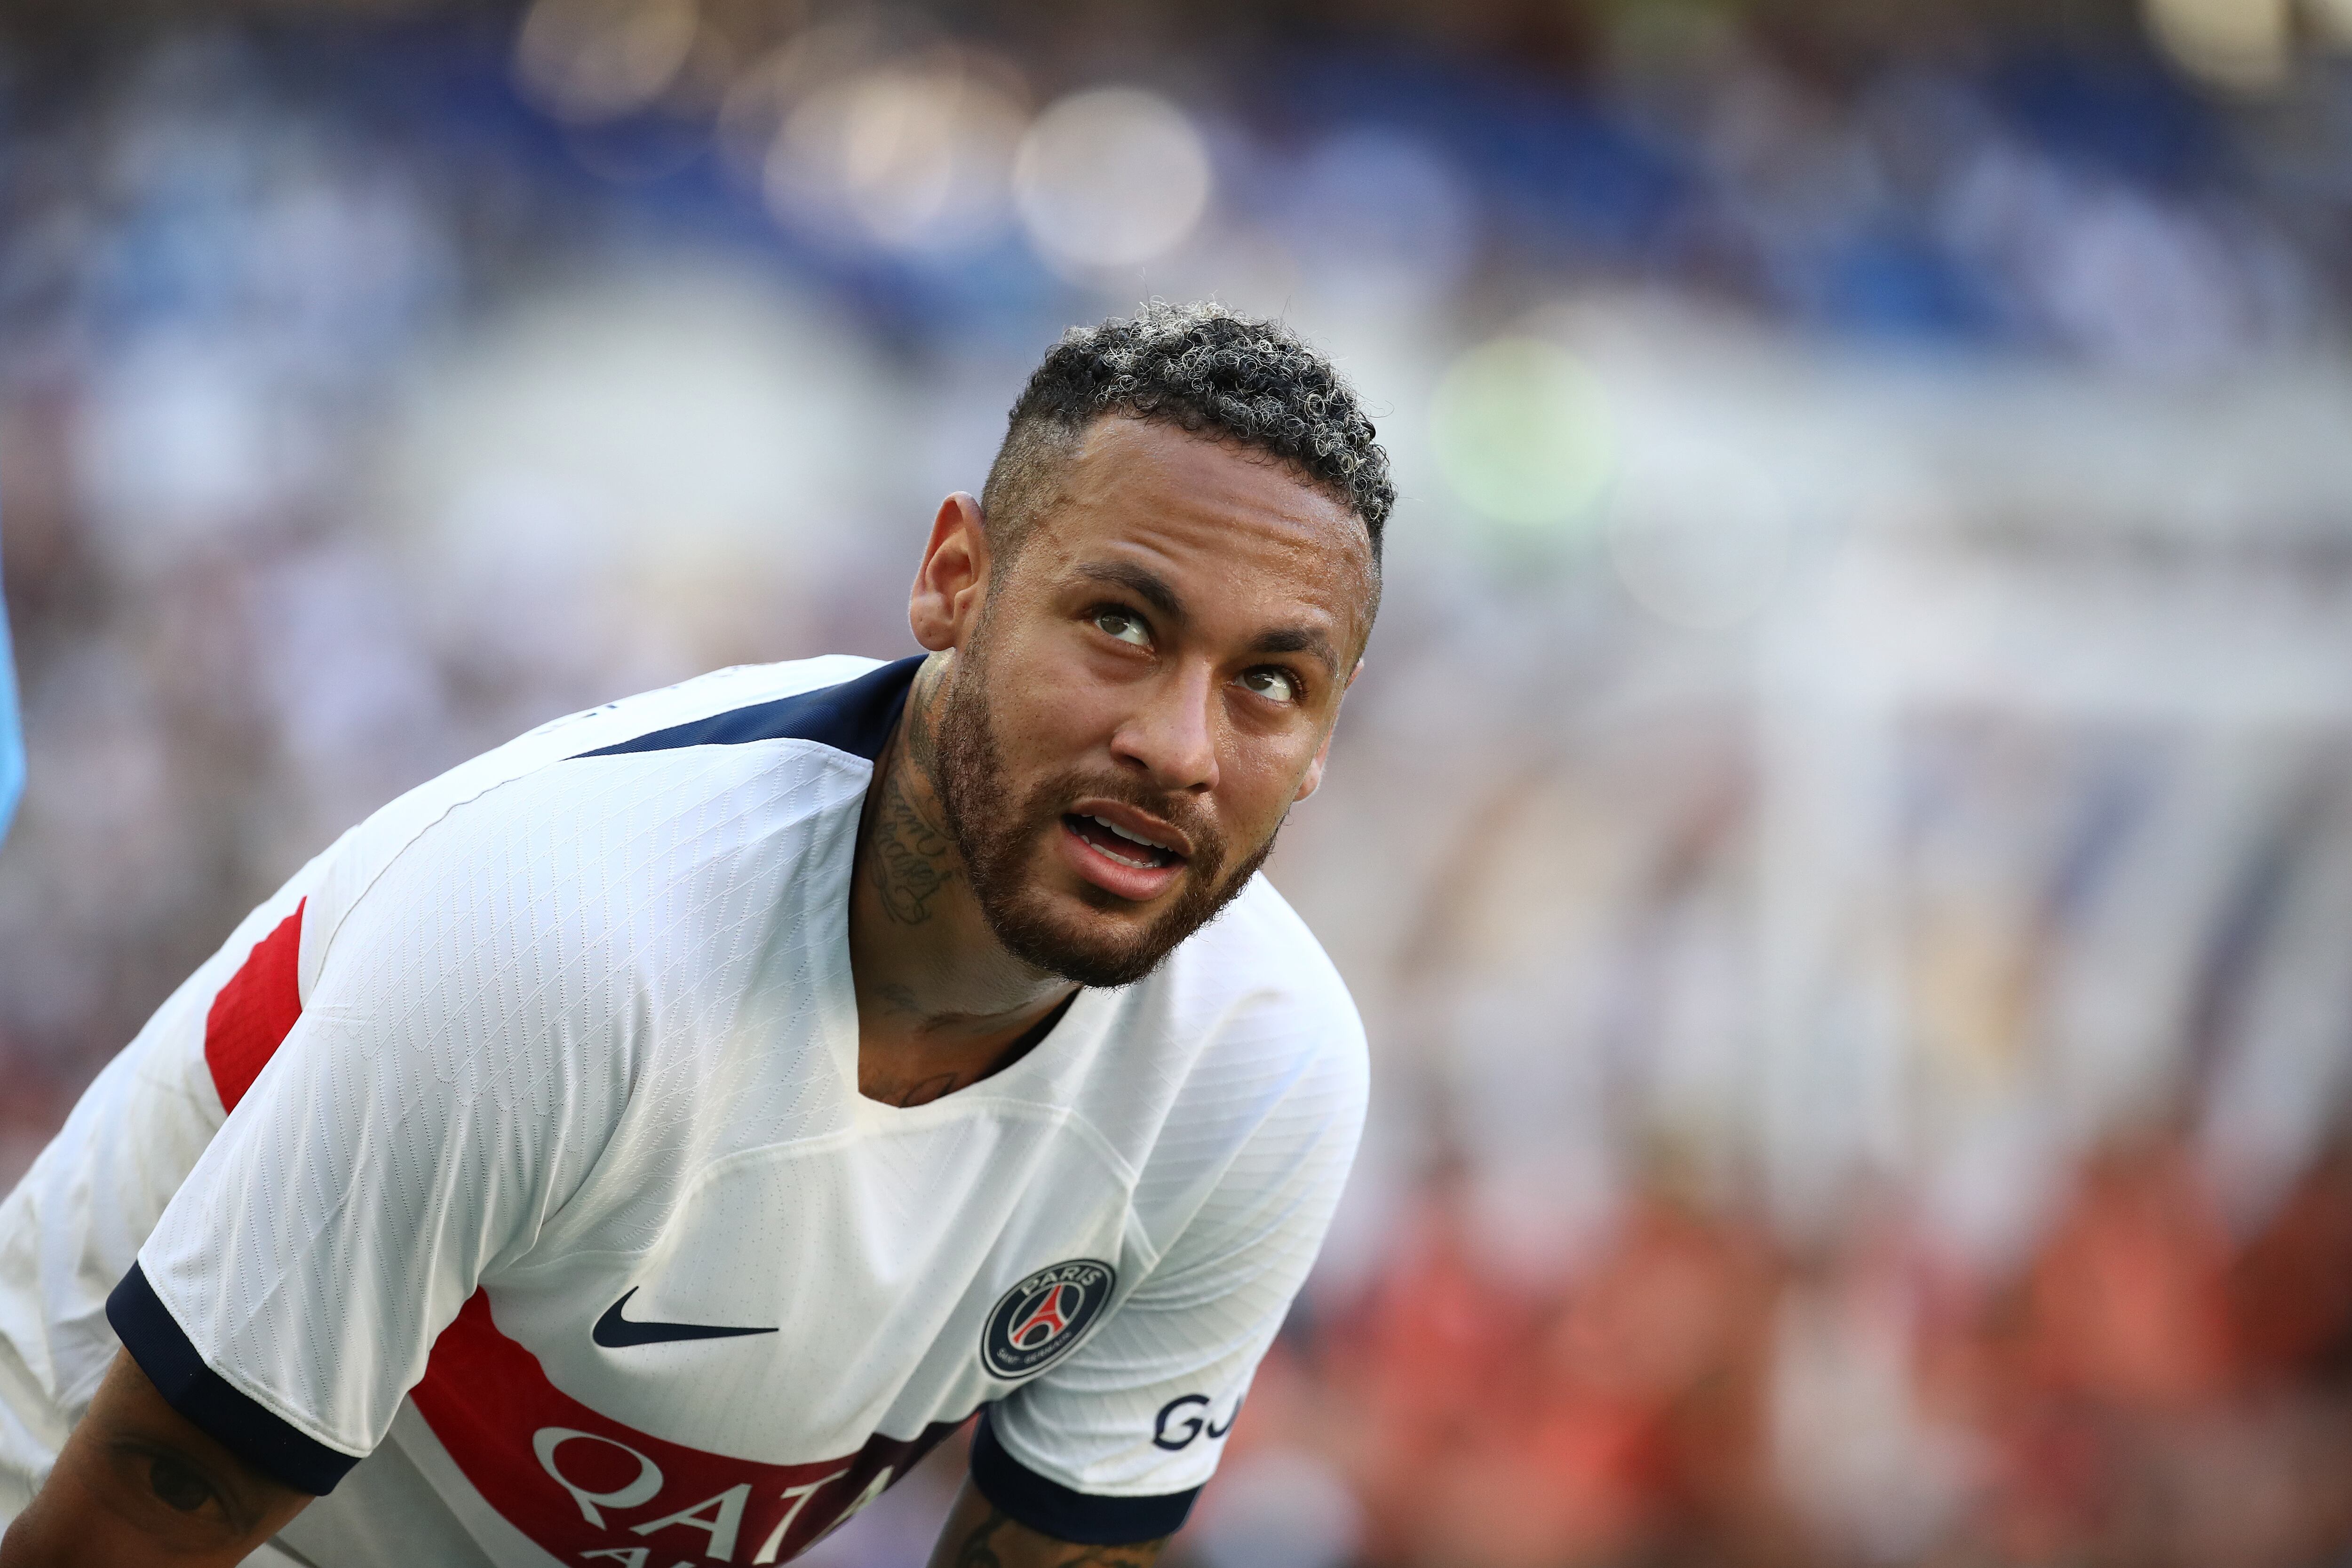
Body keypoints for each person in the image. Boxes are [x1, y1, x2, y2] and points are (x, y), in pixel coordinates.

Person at [0, 302, 1387, 1568]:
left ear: (1325, 740)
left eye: (1271, 681)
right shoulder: (565, 940)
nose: (1178, 747)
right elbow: (145, 1508)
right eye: (1121, 624)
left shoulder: (1266, 1070)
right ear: (956, 581)